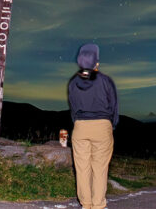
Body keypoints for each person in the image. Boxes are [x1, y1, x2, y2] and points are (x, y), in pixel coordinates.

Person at [67, 43, 118, 209]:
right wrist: (111, 125)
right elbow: (113, 107)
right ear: (96, 62)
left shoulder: (73, 82)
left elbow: (73, 108)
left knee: (82, 168)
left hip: (80, 126)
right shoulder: (105, 81)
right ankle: (98, 205)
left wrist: (79, 123)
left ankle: (86, 203)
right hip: (102, 126)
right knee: (100, 168)